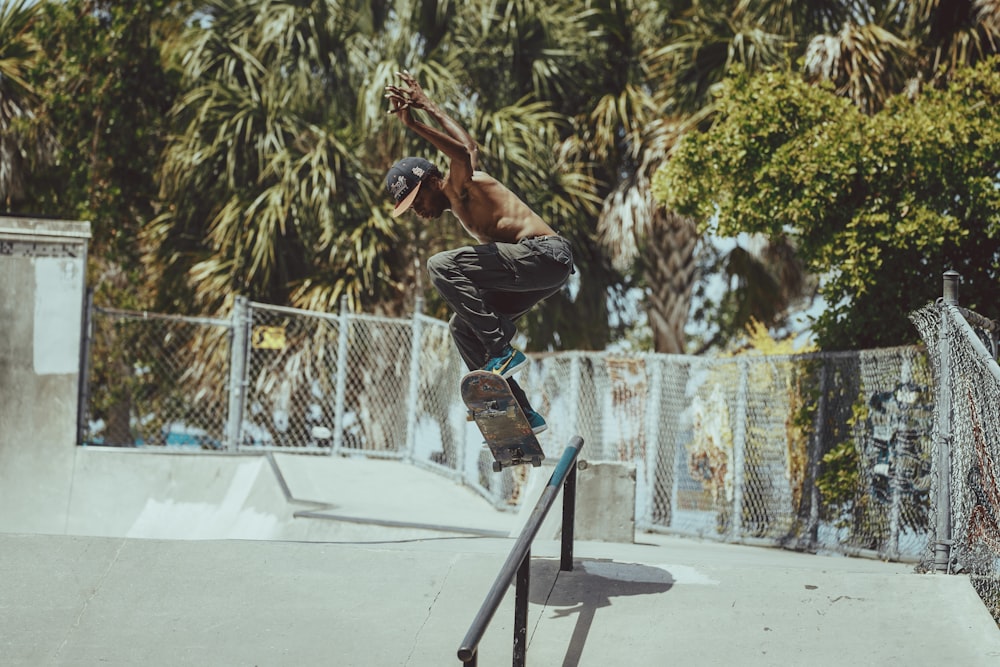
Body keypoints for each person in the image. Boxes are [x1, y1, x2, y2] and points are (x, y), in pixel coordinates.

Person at [384, 71, 574, 434]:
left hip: (546, 255)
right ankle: (518, 413)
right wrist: (429, 106)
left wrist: (414, 122)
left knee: (440, 264)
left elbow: (459, 153)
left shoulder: (461, 187)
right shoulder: (460, 192)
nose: (419, 212)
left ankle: (502, 350)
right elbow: (469, 146)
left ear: (429, 182)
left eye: (417, 200)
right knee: (462, 326)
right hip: (536, 270)